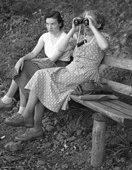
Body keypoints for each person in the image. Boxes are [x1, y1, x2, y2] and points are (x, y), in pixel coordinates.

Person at [9, 10, 109, 142]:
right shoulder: (79, 36)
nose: (86, 24)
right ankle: (28, 116)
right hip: (71, 70)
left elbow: (104, 46)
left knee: (43, 82)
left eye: (89, 21)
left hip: (86, 74)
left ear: (99, 24)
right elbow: (61, 48)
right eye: (85, 21)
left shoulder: (103, 37)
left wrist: (92, 27)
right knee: (40, 75)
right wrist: (73, 29)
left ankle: (33, 124)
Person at [0, 10, 74, 130]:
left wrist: (31, 62)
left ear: (59, 23)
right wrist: (21, 59)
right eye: (47, 24)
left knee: (27, 69)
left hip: (59, 69)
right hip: (47, 66)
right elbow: (33, 53)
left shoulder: (65, 38)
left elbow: (52, 59)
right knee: (24, 66)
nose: (50, 27)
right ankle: (19, 110)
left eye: (53, 24)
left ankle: (10, 102)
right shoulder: (45, 37)